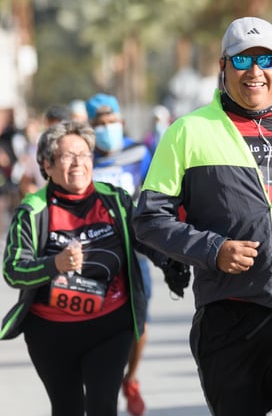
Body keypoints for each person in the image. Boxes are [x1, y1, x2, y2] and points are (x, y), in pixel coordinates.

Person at [133, 16, 272, 416]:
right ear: (222, 67)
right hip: (229, 316)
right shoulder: (187, 132)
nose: (254, 72)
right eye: (241, 61)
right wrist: (213, 249)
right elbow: (149, 219)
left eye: (265, 60)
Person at [1, 120, 187, 416]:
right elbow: (13, 270)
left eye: (84, 154)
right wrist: (54, 264)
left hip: (109, 326)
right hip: (51, 333)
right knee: (67, 409)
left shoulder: (115, 200)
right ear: (47, 165)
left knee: (103, 406)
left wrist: (169, 262)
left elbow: (145, 238)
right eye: (67, 156)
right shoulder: (33, 209)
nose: (78, 163)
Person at [85, 92, 158, 416]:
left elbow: (158, 194)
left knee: (138, 326)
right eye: (99, 124)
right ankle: (104, 385)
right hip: (93, 258)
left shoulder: (139, 152)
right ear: (90, 126)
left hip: (134, 252)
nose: (106, 128)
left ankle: (130, 378)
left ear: (121, 121)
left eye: (111, 121)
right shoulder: (83, 157)